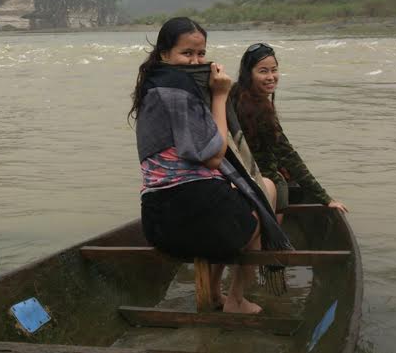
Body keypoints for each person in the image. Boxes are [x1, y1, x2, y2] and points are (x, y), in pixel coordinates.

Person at [131, 17, 277, 314]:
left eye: (201, 54)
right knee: (267, 189)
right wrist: (221, 96)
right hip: (197, 224)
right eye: (187, 53)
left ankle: (212, 292)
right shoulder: (179, 90)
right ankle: (235, 299)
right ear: (164, 54)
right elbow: (212, 154)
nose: (196, 61)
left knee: (228, 191)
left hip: (158, 226)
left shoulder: (152, 87)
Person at [232, 42, 348, 214]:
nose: (271, 76)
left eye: (274, 70)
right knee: (279, 182)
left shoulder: (234, 93)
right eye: (263, 71)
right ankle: (277, 231)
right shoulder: (259, 109)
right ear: (249, 74)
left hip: (236, 174)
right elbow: (288, 155)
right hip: (260, 179)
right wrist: (325, 199)